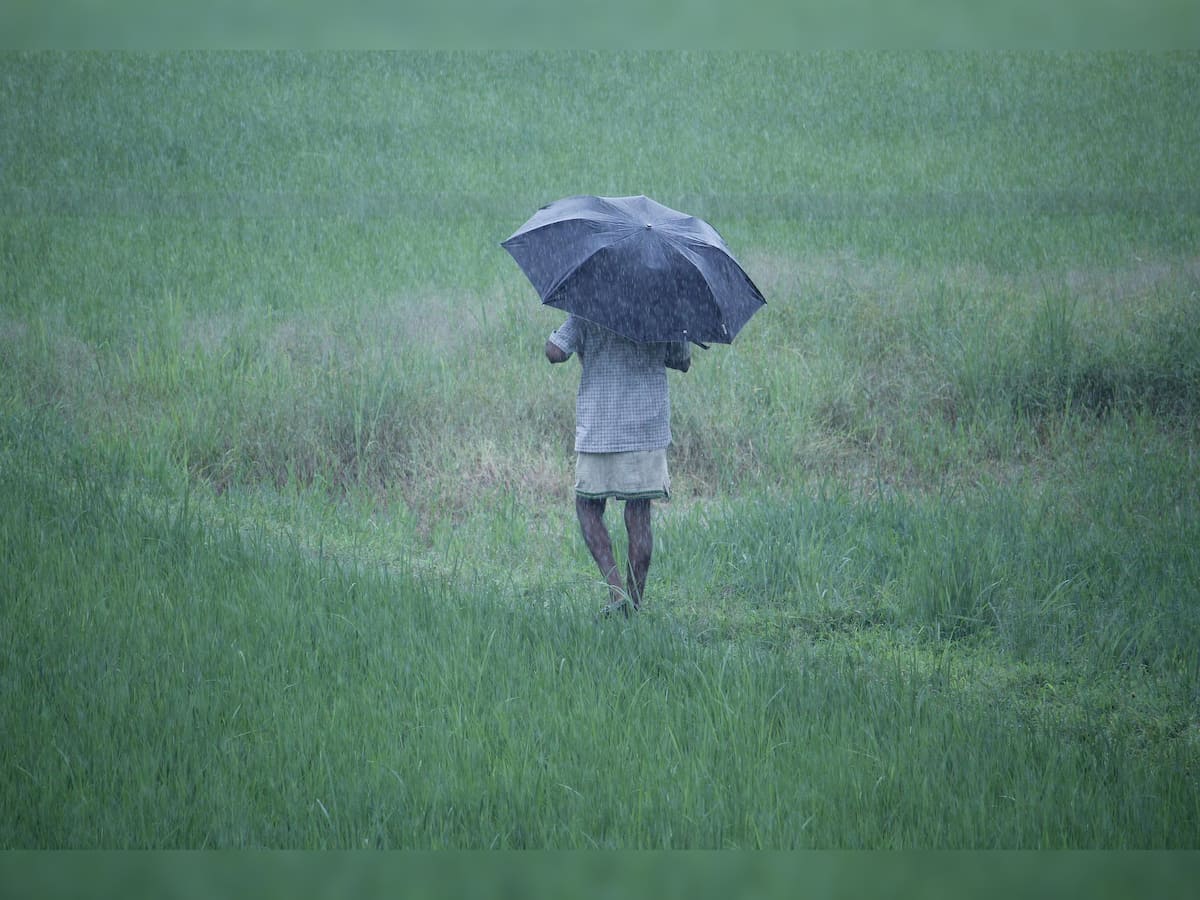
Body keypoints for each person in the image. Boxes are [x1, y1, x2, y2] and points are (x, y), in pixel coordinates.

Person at [545, 314, 691, 616]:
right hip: (645, 428)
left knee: (587, 507)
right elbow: (681, 360)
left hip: (600, 426)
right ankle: (634, 606)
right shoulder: (662, 310)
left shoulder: (589, 307)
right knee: (639, 516)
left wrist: (571, 337)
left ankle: (615, 592)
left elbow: (555, 352)